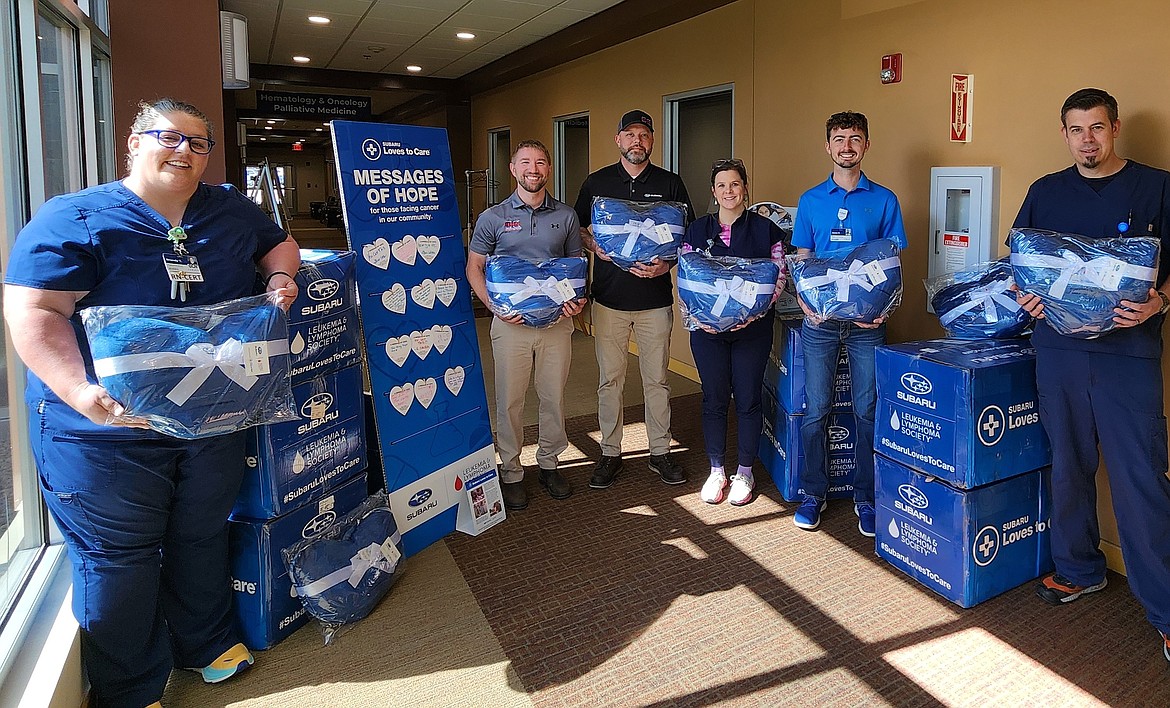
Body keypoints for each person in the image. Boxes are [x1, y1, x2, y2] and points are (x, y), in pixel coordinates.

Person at [2, 98, 300, 708]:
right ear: (134, 143)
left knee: (199, 533)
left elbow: (280, 245)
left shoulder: (228, 210)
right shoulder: (74, 219)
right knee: (119, 557)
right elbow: (33, 310)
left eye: (198, 143)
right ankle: (131, 688)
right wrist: (80, 393)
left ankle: (203, 642)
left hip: (210, 416)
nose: (184, 151)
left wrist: (279, 279)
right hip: (104, 427)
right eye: (169, 137)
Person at [1012, 87, 1170, 665]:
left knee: (1140, 479)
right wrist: (1026, 298)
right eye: (1077, 129)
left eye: (1097, 128)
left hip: (1127, 356)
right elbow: (1020, 265)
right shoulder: (1045, 193)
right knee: (1069, 464)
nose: (1088, 139)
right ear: (1065, 134)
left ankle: (1167, 611)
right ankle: (1078, 568)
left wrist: (1161, 303)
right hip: (1057, 351)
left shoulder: (1157, 187)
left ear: (1116, 128)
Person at [790, 111, 907, 537]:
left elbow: (893, 263)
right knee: (816, 410)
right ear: (828, 146)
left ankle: (866, 497)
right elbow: (802, 261)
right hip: (819, 323)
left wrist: (885, 310)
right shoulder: (810, 201)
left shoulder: (885, 199)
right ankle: (812, 493)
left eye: (854, 139)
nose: (846, 146)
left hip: (866, 323)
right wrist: (805, 303)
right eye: (839, 139)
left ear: (866, 145)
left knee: (867, 410)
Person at [573, 110, 695, 490]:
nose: (637, 141)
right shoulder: (597, 182)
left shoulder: (670, 183)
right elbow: (577, 227)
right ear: (618, 140)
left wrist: (667, 266)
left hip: (655, 301)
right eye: (630, 134)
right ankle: (610, 452)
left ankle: (660, 451)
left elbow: (687, 239)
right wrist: (596, 247)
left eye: (644, 134)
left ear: (652, 140)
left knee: (656, 380)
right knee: (610, 380)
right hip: (609, 300)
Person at [466, 139, 586, 511]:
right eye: (525, 162)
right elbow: (474, 268)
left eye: (540, 162)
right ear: (513, 169)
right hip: (510, 326)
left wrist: (577, 302)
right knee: (510, 401)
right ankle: (512, 470)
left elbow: (575, 267)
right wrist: (493, 307)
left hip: (555, 326)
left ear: (548, 169)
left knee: (552, 397)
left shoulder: (565, 216)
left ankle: (549, 463)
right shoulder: (493, 217)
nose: (533, 168)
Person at [681, 159, 785, 505]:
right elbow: (686, 281)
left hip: (751, 330)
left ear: (745, 188)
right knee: (713, 397)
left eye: (735, 184)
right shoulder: (696, 231)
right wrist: (700, 317)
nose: (729, 191)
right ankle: (716, 470)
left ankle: (744, 471)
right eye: (722, 185)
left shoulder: (765, 230)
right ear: (713, 192)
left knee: (748, 397)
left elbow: (778, 275)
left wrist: (752, 314)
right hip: (707, 330)